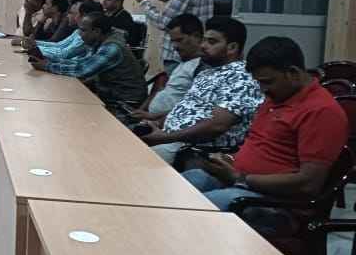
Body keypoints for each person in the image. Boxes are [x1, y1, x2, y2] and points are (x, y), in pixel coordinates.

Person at [180, 36, 349, 237]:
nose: (263, 89)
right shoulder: (277, 96)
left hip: (278, 206)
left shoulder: (322, 111)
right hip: (243, 185)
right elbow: (261, 146)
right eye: (259, 82)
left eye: (268, 82)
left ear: (293, 73)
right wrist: (229, 160)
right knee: (182, 185)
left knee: (198, 210)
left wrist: (241, 178)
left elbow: (308, 184)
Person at [141, 16, 263, 165]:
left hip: (196, 151)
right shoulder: (208, 72)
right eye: (204, 40)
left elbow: (217, 125)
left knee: (129, 161)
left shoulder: (241, 77)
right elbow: (186, 108)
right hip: (171, 139)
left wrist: (166, 137)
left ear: (232, 48)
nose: (203, 46)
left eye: (211, 42)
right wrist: (157, 123)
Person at [30, 12, 147, 109]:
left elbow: (82, 70)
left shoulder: (112, 47)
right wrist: (51, 62)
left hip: (124, 104)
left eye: (83, 30)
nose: (80, 35)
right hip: (111, 96)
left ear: (97, 31)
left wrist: (48, 66)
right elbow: (83, 62)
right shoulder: (101, 41)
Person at [130, 14, 205, 116]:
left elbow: (193, 109)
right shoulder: (184, 62)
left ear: (197, 37)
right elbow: (162, 89)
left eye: (179, 40)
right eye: (173, 41)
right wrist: (142, 112)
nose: (174, 46)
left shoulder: (201, 68)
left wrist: (156, 120)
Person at [26, 0, 103, 62]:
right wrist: (34, 43)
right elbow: (59, 45)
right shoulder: (78, 31)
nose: (67, 16)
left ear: (84, 16)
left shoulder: (87, 36)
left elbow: (63, 54)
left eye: (72, 13)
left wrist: (35, 49)